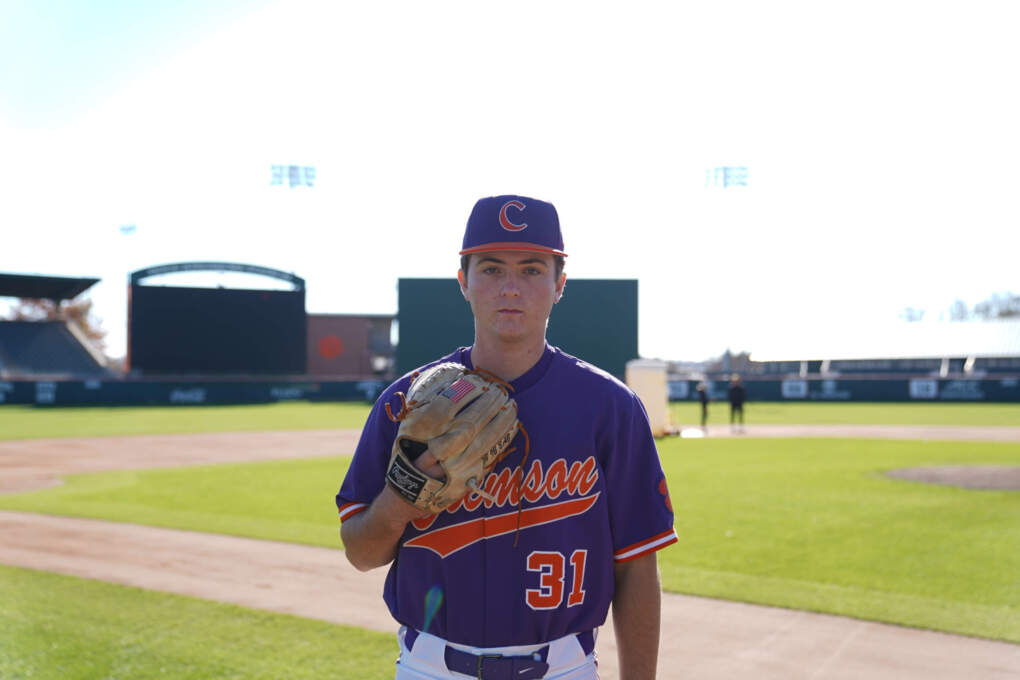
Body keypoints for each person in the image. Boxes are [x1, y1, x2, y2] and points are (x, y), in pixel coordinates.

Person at [337, 195, 677, 680]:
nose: (511, 287)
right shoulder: (404, 404)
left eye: (532, 269)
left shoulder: (611, 407)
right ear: (464, 281)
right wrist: (402, 496)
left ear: (560, 284)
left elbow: (637, 566)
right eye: (492, 269)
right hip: (431, 668)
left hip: (563, 668)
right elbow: (360, 553)